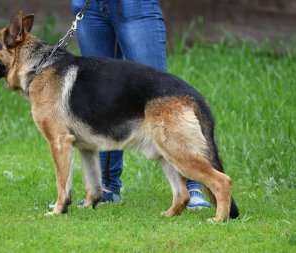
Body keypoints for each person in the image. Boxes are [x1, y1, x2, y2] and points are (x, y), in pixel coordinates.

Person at [71, 0, 211, 209]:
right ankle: (108, 187)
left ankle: (192, 185)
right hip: (89, 6)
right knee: (101, 95)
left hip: (135, 5)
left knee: (160, 93)